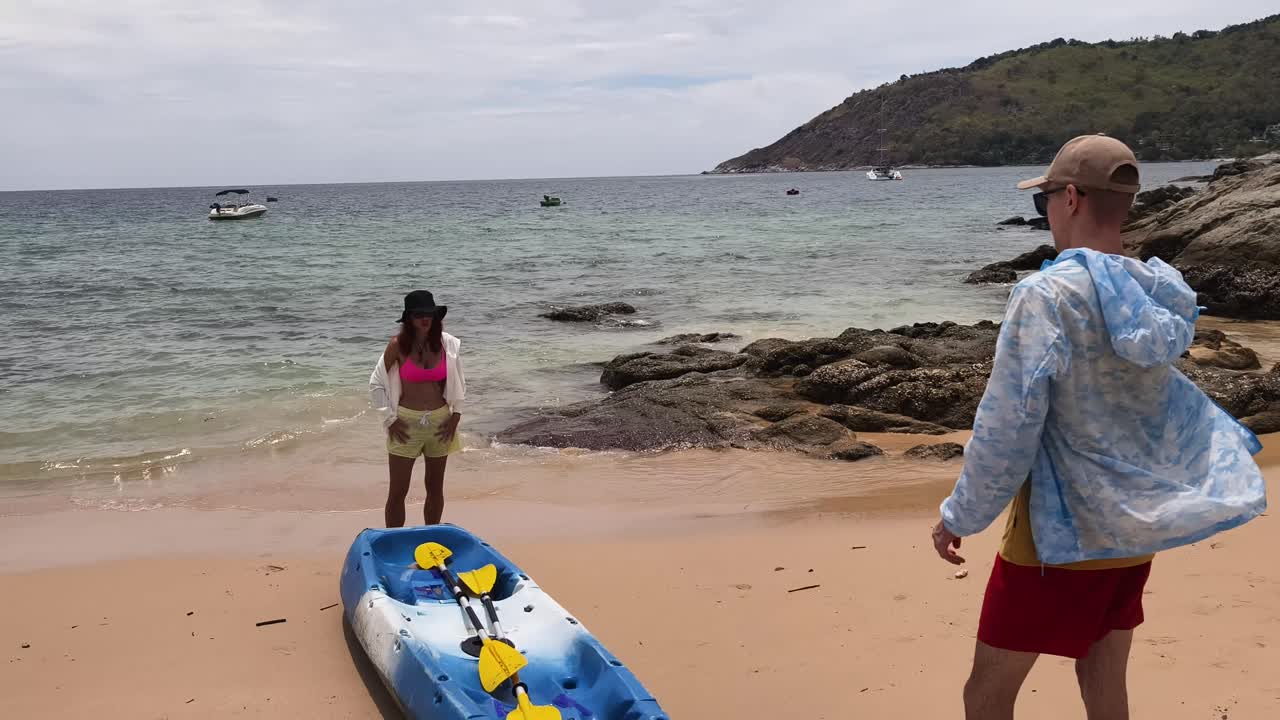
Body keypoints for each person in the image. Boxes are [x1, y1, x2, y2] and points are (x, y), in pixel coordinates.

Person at [930, 135, 1266, 720]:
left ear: (1072, 199)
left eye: (1045, 202)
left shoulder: (1047, 295)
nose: (1047, 214)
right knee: (1104, 675)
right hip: (1135, 521)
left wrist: (959, 514)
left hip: (1061, 534)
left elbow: (1009, 423)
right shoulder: (1155, 290)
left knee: (987, 692)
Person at [369, 290, 467, 527]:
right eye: (418, 314)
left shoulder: (447, 344)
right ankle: (393, 542)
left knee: (435, 488)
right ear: (408, 319)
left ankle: (430, 536)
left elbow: (460, 382)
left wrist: (455, 417)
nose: (425, 319)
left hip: (440, 422)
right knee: (398, 491)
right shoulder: (397, 345)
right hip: (406, 423)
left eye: (429, 314)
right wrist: (389, 419)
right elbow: (376, 383)